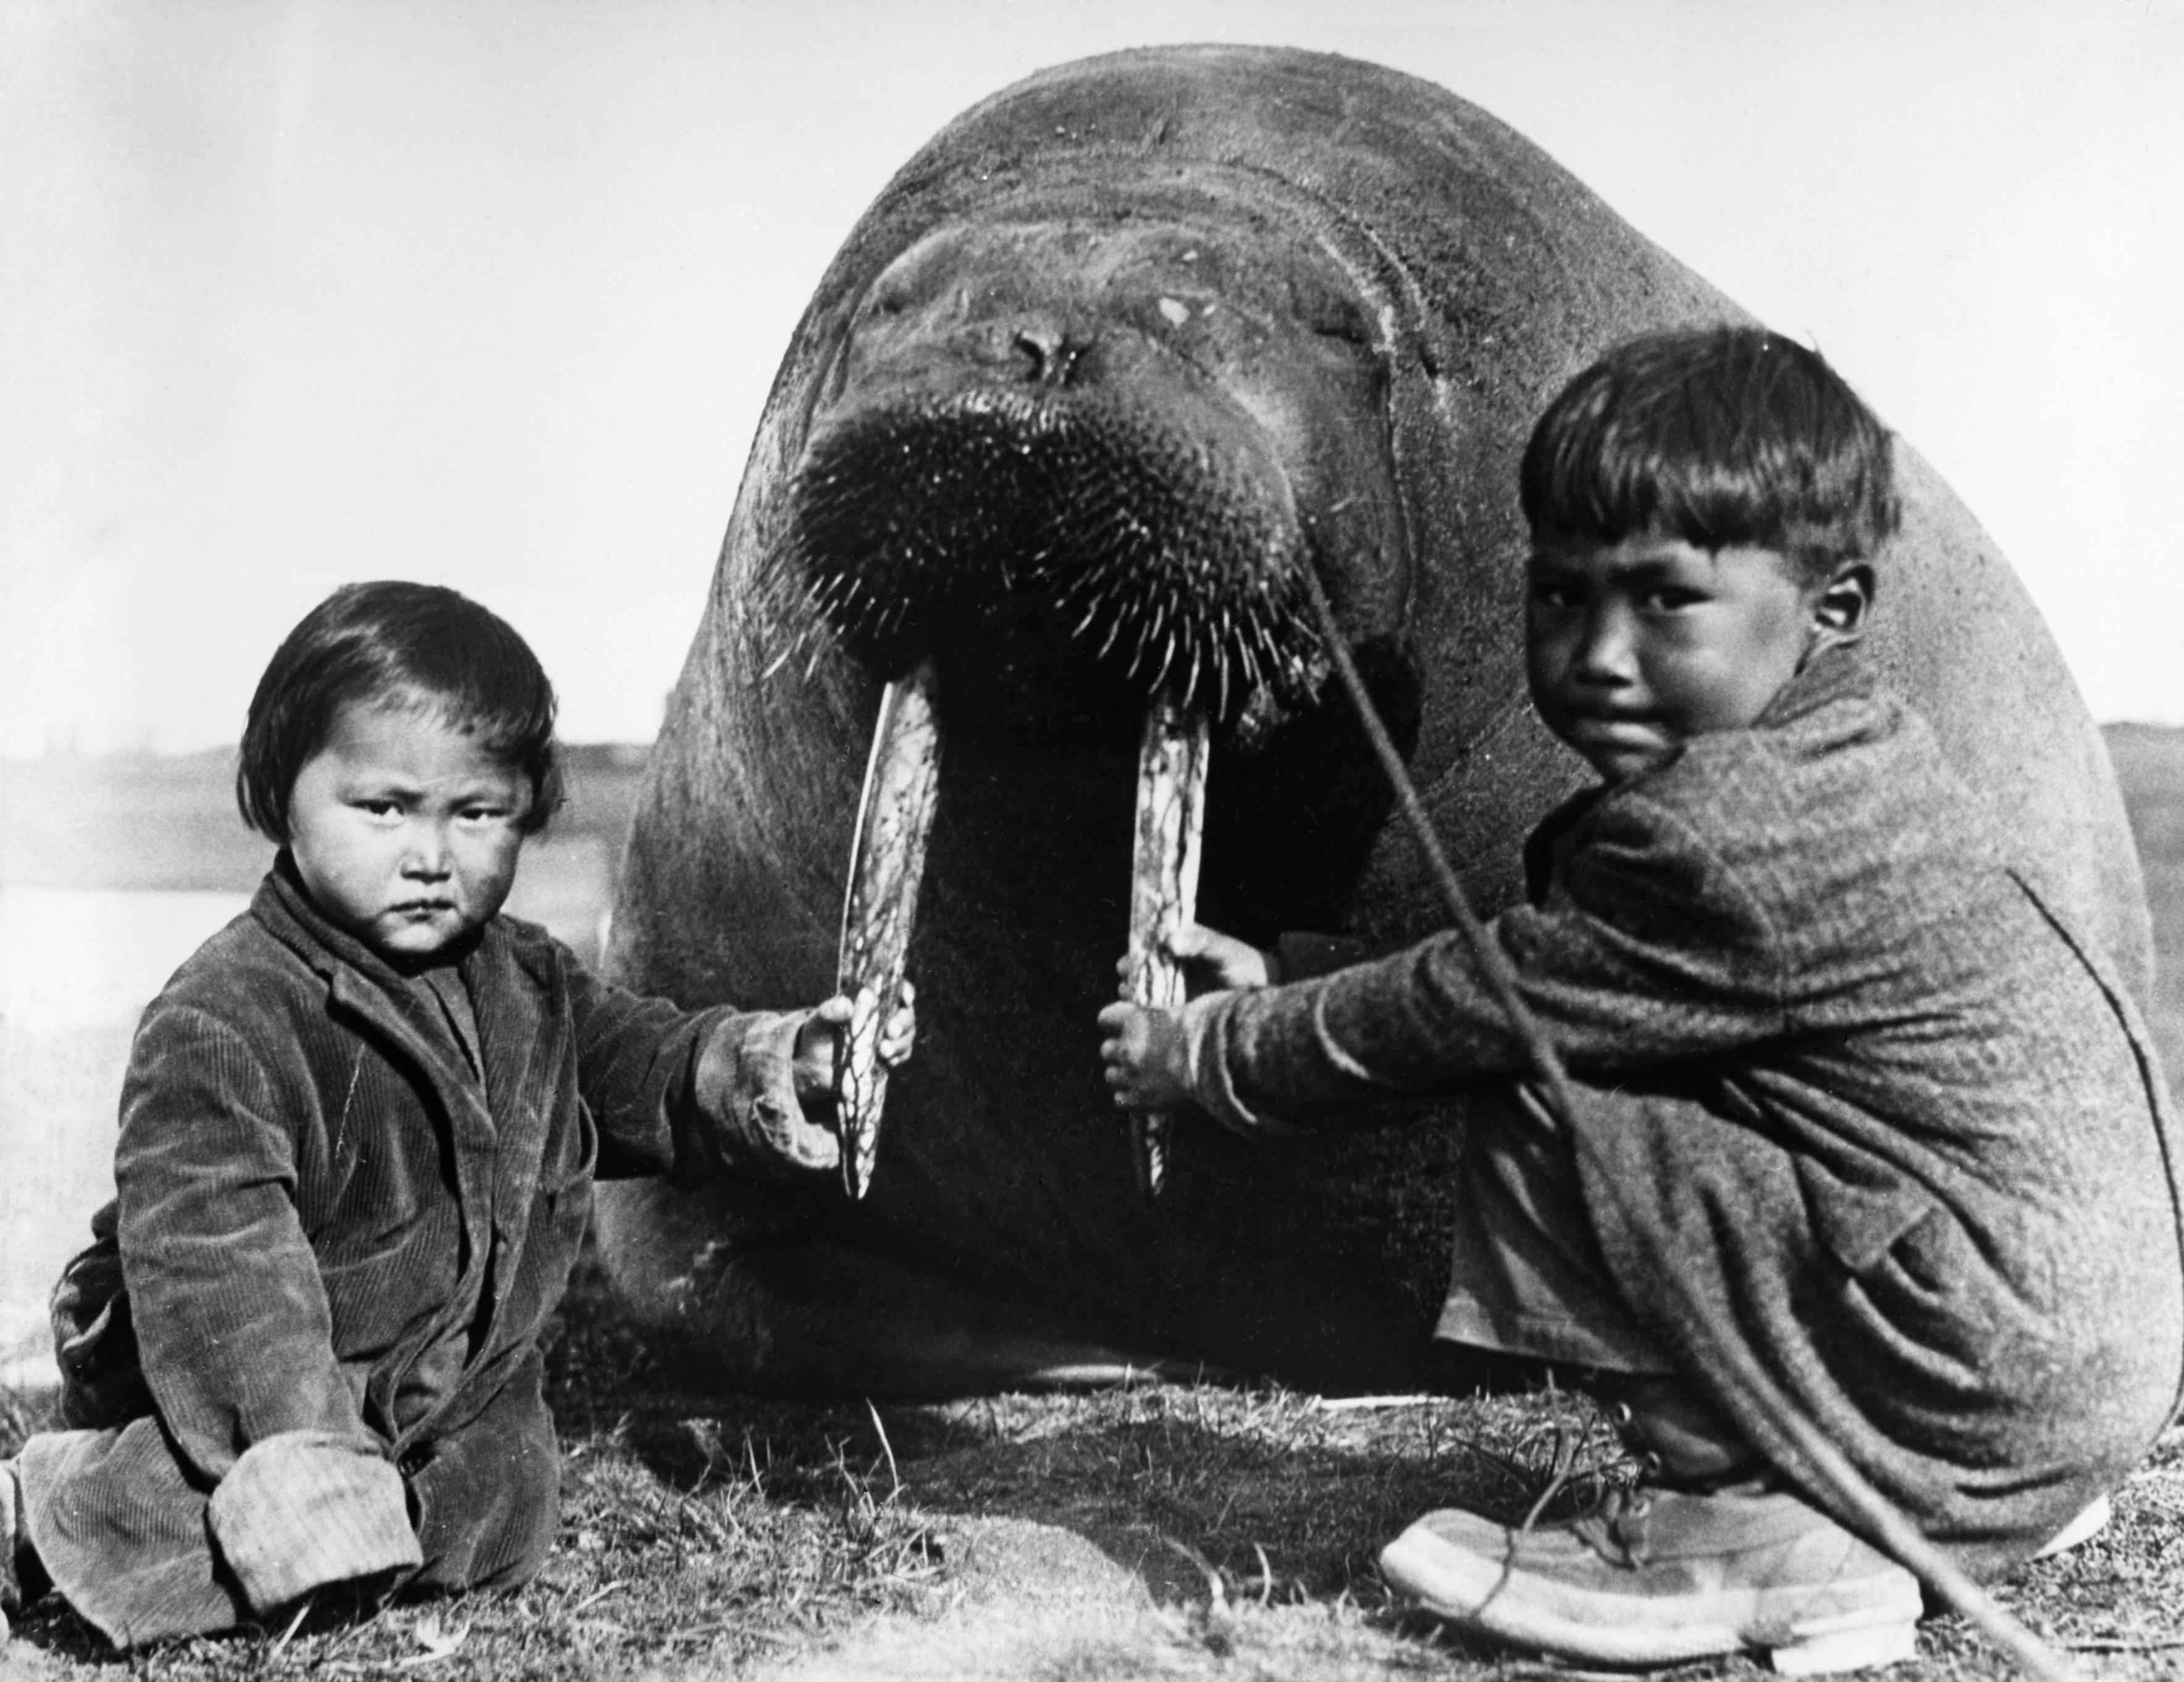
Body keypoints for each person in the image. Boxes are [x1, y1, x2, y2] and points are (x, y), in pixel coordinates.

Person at [1098, 326, 2184, 1673]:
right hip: (2082, 1380)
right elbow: (1565, 964)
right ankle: (1912, 1491)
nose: (1598, 655)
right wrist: (1300, 978)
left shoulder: (1712, 836)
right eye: (1560, 597)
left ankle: (1736, 1532)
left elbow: (1474, 1005)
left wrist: (1214, 1055)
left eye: (1664, 603)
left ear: (1828, 606)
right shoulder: (1855, 754)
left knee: (1544, 1091)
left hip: (1976, 1367)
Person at [0, 582, 912, 1649]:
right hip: (233, 1374)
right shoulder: (229, 1014)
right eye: (383, 808)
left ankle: (362, 1513)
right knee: (195, 1508)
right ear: (279, 794)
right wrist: (303, 1456)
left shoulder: (531, 981)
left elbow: (649, 1069)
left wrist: (771, 1066)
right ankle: (38, 1517)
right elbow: (217, 1259)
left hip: (445, 1392)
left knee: (497, 1501)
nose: (431, 854)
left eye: (478, 813)